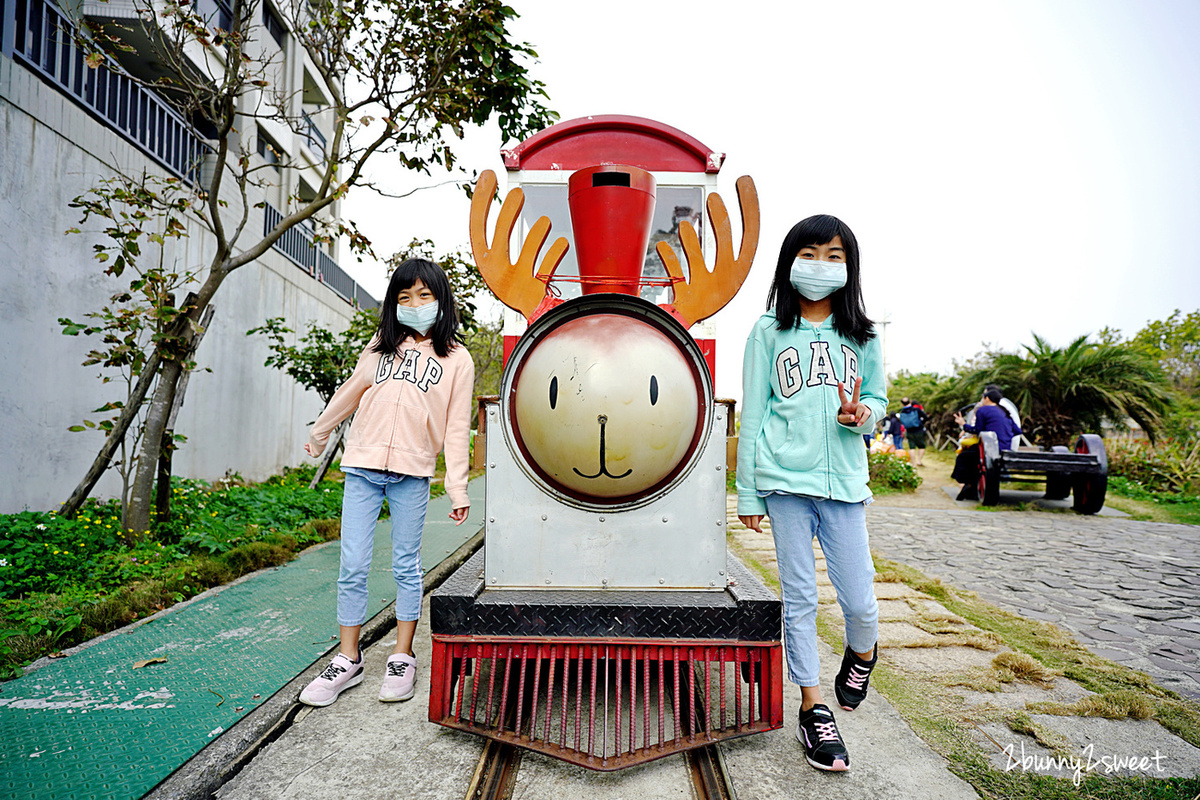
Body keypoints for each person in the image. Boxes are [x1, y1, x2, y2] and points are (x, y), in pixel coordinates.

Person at [737, 215, 886, 773]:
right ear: (789, 262)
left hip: (845, 484)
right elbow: (753, 413)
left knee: (859, 601)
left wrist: (860, 415)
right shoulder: (767, 332)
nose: (820, 266)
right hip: (783, 483)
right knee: (799, 598)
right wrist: (748, 492)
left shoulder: (864, 334)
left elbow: (876, 397)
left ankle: (863, 652)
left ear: (849, 267)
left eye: (834, 255)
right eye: (809, 253)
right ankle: (812, 705)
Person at [298, 258, 475, 707]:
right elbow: (350, 392)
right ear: (393, 305)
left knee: (405, 566)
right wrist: (320, 433)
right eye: (403, 297)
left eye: (424, 296)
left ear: (440, 301)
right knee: (352, 564)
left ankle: (401, 655)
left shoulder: (457, 359)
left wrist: (457, 487)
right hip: (362, 466)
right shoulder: (379, 346)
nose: (414, 305)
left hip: (412, 475)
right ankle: (348, 658)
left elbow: (456, 427)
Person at [950, 387, 1020, 499]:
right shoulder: (1004, 411)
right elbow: (1017, 431)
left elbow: (977, 430)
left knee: (964, 456)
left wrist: (963, 424)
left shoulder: (983, 410)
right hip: (1005, 448)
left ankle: (968, 487)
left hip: (991, 450)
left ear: (987, 398)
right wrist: (1004, 436)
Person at [897, 398, 930, 466]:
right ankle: (919, 461)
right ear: (910, 402)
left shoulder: (902, 412)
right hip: (918, 430)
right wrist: (921, 423)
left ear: (902, 404)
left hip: (909, 431)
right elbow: (926, 417)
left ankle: (913, 463)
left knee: (912, 447)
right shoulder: (916, 409)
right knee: (921, 446)